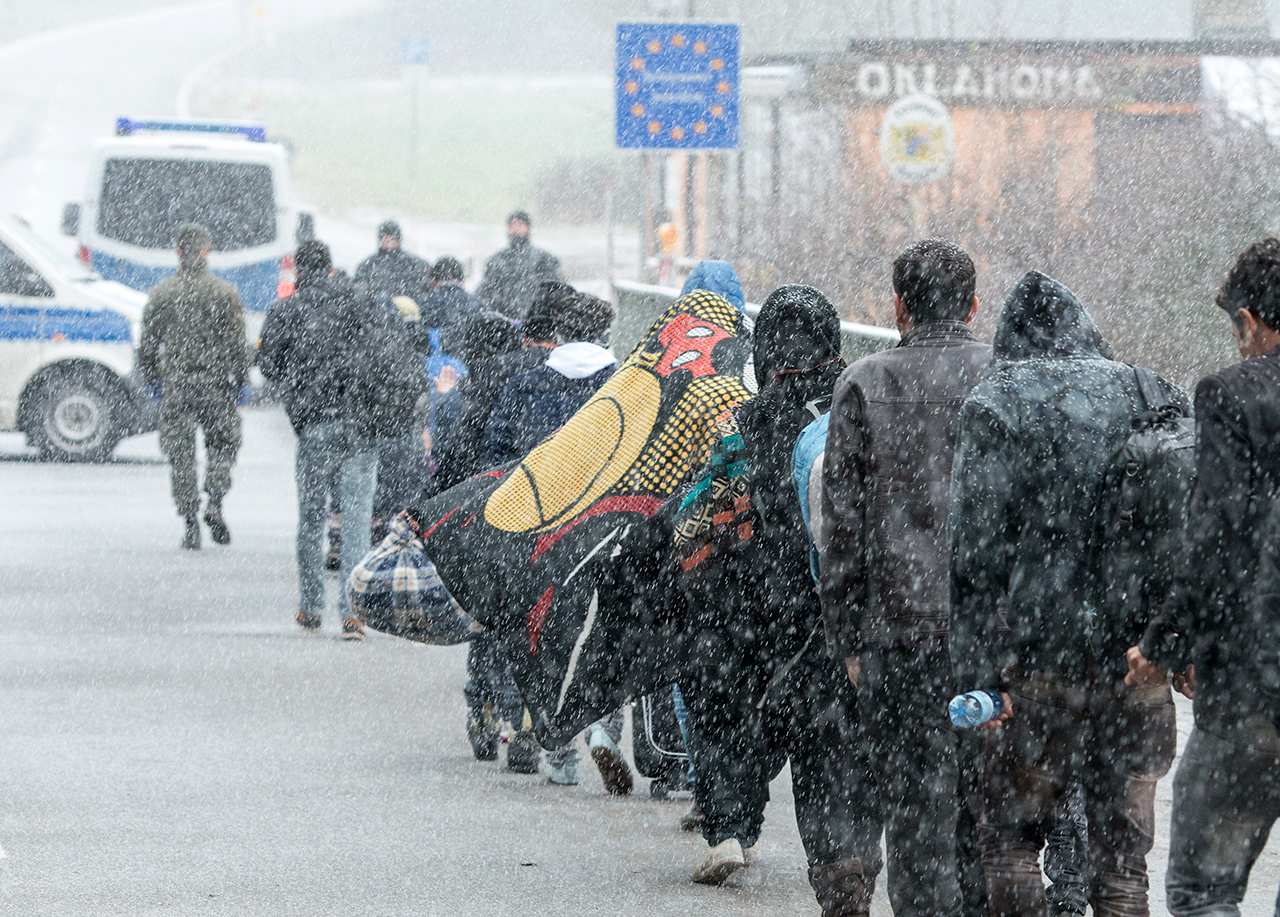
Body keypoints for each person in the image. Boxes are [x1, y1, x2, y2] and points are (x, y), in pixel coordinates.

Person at [949, 270, 1184, 917]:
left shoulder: (995, 400)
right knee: (1122, 858)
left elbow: (973, 556)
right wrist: (1180, 639)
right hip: (1137, 662)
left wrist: (977, 679)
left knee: (1014, 841)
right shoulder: (1150, 389)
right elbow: (1190, 525)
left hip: (1035, 666)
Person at [674, 285, 882, 916]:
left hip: (749, 606)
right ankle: (837, 859)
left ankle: (730, 827)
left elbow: (698, 513)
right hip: (831, 604)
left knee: (728, 716)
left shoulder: (746, 420)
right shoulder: (854, 406)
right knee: (827, 740)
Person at [820, 240, 991, 917]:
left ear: (898, 305)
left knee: (916, 806)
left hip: (897, 632)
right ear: (974, 304)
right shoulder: (1003, 375)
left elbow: (844, 528)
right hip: (988, 632)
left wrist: (848, 640)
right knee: (985, 805)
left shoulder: (863, 382)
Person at [1127, 239, 1280, 915]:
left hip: (1255, 681)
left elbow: (1217, 538)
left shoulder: (1232, 395)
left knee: (1203, 888)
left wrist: (1161, 646)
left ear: (1250, 321)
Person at [480, 290, 633, 793]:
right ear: (605, 333)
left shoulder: (527, 384)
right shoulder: (625, 385)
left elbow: (497, 454)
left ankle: (555, 746)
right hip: (608, 529)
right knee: (609, 631)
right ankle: (604, 727)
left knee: (550, 636)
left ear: (561, 333)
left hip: (543, 529)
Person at [258, 240, 426, 640]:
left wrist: (298, 389)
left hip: (315, 424)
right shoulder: (361, 302)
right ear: (332, 268)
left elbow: (267, 364)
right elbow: (390, 351)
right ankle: (353, 613)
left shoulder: (288, 308)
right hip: (361, 423)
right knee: (357, 519)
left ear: (300, 270)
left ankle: (310, 607)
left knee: (311, 518)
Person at [139, 223, 249, 550]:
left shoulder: (163, 294)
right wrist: (241, 378)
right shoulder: (224, 293)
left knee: (181, 454)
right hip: (215, 385)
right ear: (206, 251)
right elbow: (237, 344)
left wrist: (153, 377)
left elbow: (148, 344)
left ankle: (189, 521)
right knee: (223, 444)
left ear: (177, 252)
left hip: (178, 385)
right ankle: (214, 500)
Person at [475, 210, 561, 319]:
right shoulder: (495, 260)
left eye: (519, 225)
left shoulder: (544, 259)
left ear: (527, 228)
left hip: (535, 320)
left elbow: (555, 289)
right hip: (504, 320)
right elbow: (485, 291)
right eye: (512, 226)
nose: (515, 229)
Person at [353, 219, 432, 305]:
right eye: (385, 238)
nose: (389, 242)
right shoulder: (367, 265)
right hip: (378, 311)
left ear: (399, 240)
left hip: (409, 309)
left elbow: (426, 287)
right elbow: (360, 292)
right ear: (380, 240)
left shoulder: (416, 263)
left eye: (392, 239)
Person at [420, 256, 480, 351]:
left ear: (433, 281)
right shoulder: (476, 303)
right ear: (462, 280)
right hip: (472, 357)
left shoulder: (426, 303)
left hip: (438, 360)